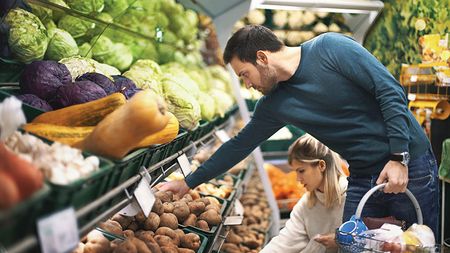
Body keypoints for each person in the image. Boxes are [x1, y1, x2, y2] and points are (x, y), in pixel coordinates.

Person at [159, 25, 439, 237]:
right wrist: (189, 182)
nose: (247, 84)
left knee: (417, 242)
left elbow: (390, 91)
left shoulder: (331, 48)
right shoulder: (275, 104)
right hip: (363, 173)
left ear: (262, 57)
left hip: (409, 163)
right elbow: (239, 145)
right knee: (353, 243)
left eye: (245, 74)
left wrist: (399, 156)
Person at [260, 134, 347, 253]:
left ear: (321, 165)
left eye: (301, 171)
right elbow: (285, 242)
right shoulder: (306, 204)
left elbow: (373, 238)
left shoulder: (351, 198)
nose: (298, 179)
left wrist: (343, 242)